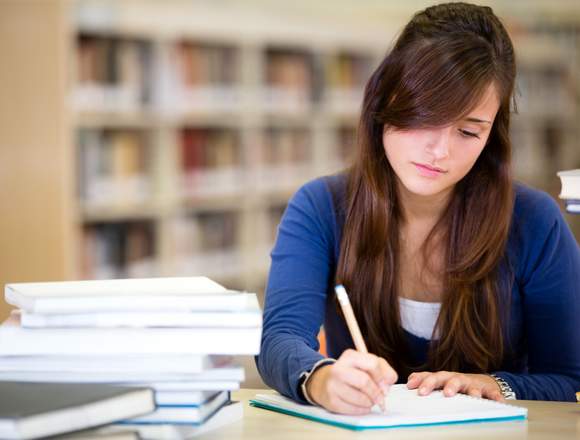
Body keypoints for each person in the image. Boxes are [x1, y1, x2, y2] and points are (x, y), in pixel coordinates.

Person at [255, 2, 580, 414]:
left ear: (491, 136)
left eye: (467, 131)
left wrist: (498, 385)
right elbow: (278, 340)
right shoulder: (321, 207)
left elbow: (571, 380)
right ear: (385, 100)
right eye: (426, 117)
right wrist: (320, 379)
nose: (439, 150)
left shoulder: (534, 223)